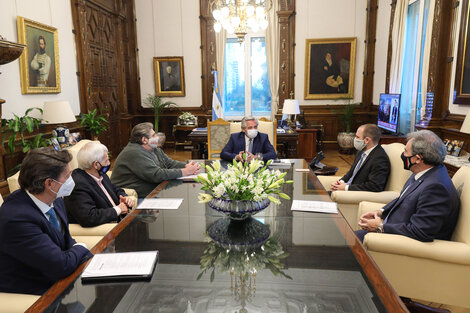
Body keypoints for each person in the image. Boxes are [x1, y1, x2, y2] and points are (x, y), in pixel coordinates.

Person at [0, 148, 92, 295]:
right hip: (32, 290)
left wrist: (81, 252)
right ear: (49, 183)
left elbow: (66, 242)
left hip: (59, 278)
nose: (71, 180)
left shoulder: (55, 200)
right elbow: (61, 265)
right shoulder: (17, 219)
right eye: (67, 176)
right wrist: (81, 247)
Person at [356, 130, 460, 242]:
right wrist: (381, 211)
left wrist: (380, 226)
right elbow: (403, 198)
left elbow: (420, 231)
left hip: (399, 243)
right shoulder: (423, 172)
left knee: (346, 243)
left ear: (418, 159)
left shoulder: (436, 188)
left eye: (405, 151)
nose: (403, 155)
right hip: (393, 228)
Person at [111, 122, 200, 197]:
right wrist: (185, 171)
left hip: (153, 191)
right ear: (144, 140)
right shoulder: (134, 152)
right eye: (153, 135)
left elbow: (169, 163)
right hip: (132, 197)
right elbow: (156, 175)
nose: (157, 137)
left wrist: (186, 166)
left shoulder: (153, 148)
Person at [64, 142, 134, 227]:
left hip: (122, 220)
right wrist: (118, 209)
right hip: (109, 228)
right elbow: (89, 217)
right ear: (96, 164)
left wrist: (123, 196)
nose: (109, 163)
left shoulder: (100, 174)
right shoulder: (77, 185)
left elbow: (114, 188)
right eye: (106, 160)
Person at [331, 124, 390, 192]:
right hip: (346, 189)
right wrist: (341, 182)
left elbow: (375, 186)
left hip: (355, 194)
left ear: (367, 140)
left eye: (357, 137)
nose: (355, 139)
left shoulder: (379, 159)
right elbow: (351, 173)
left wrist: (346, 188)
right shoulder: (360, 151)